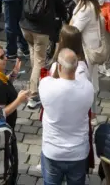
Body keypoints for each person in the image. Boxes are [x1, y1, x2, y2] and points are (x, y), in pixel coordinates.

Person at [39, 49, 93, 185]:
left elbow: (47, 78)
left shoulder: (46, 85)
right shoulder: (87, 88)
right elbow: (82, 77)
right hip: (78, 151)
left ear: (59, 67)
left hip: (52, 150)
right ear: (76, 67)